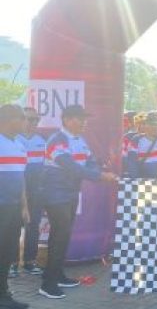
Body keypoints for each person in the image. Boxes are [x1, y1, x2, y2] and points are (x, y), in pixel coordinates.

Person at [39, 105, 118, 299]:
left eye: (84, 118)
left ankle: (57, 275)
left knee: (63, 236)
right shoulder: (57, 140)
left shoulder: (80, 140)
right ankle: (48, 285)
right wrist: (100, 176)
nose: (84, 122)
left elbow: (89, 162)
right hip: (55, 194)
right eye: (79, 118)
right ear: (66, 120)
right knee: (59, 237)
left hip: (70, 193)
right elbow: (71, 167)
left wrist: (99, 170)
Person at [10, 108, 46, 278]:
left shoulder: (42, 141)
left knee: (33, 226)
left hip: (36, 191)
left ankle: (30, 262)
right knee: (14, 226)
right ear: (21, 119)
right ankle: (12, 263)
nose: (33, 123)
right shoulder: (12, 140)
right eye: (29, 119)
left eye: (36, 120)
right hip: (16, 190)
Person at [0, 104, 30, 309]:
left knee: (8, 252)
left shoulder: (20, 144)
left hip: (13, 208)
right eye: (22, 118)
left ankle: (3, 293)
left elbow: (21, 178)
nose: (25, 122)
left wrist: (24, 206)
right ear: (9, 120)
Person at [125, 112, 157, 179]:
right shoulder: (136, 140)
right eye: (152, 124)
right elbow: (132, 164)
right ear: (146, 124)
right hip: (142, 180)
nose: (154, 127)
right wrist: (136, 180)